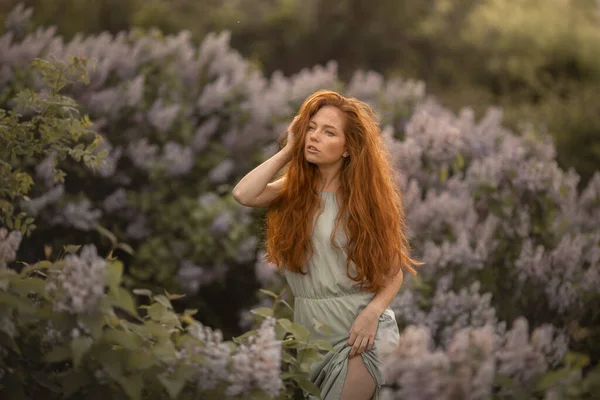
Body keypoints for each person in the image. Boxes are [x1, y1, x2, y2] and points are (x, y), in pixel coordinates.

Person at [232, 90, 423, 400]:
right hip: (311, 337)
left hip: (360, 336)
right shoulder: (294, 190)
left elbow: (393, 270)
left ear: (348, 148)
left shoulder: (365, 201)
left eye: (329, 131)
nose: (315, 136)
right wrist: (288, 151)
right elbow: (243, 195)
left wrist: (372, 312)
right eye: (312, 127)